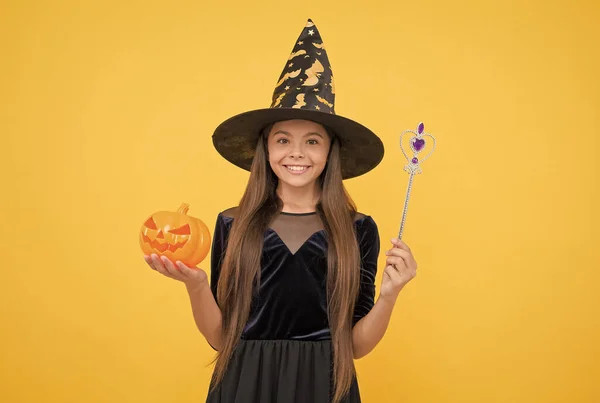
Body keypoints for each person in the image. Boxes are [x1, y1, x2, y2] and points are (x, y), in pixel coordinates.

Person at [144, 19, 418, 403]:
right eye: (283, 139)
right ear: (266, 149)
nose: (297, 153)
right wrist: (196, 285)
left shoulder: (358, 230)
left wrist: (390, 295)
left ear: (330, 152)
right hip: (243, 381)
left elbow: (355, 346)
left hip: (323, 383)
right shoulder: (232, 223)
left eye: (312, 141)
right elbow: (221, 337)